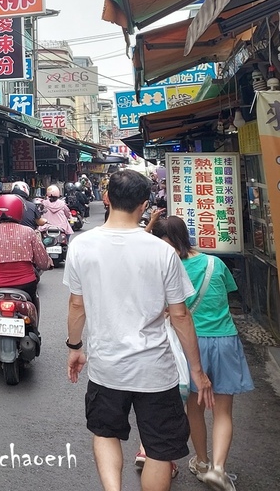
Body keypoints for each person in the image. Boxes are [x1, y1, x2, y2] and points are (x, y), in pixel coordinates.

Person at [65, 168, 214, 491]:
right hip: (155, 371)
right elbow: (181, 316)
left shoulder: (82, 245)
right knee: (160, 450)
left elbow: (77, 305)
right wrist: (197, 370)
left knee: (106, 434)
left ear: (106, 198)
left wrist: (75, 347)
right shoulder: (162, 251)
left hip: (107, 367)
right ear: (144, 204)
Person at [154, 216, 251, 491]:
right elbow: (228, 296)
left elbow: (167, 309)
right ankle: (219, 469)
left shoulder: (168, 269)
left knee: (194, 408)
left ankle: (202, 461)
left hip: (191, 345)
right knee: (223, 411)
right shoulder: (215, 263)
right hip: (225, 341)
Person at [0, 193, 52, 316]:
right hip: (25, 284)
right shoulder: (29, 232)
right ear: (20, 211)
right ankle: (34, 329)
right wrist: (48, 264)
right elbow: (43, 263)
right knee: (33, 301)